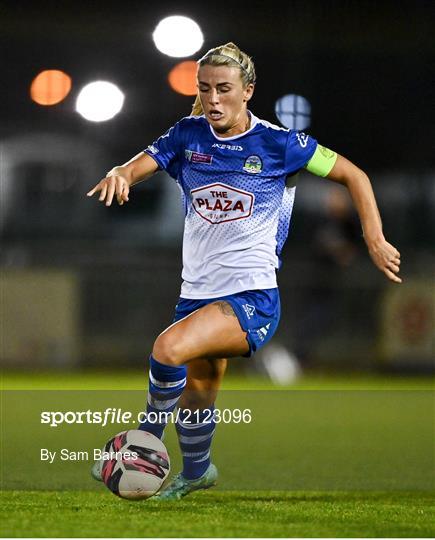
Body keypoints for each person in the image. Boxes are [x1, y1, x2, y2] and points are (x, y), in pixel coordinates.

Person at [86, 42, 401, 500]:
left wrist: (374, 239)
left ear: (247, 91)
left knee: (167, 348)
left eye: (225, 89)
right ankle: (197, 472)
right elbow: (138, 167)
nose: (214, 99)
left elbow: (355, 175)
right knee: (199, 391)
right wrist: (120, 171)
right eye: (206, 89)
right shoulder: (187, 136)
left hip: (252, 297)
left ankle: (141, 444)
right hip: (197, 293)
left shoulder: (279, 143)